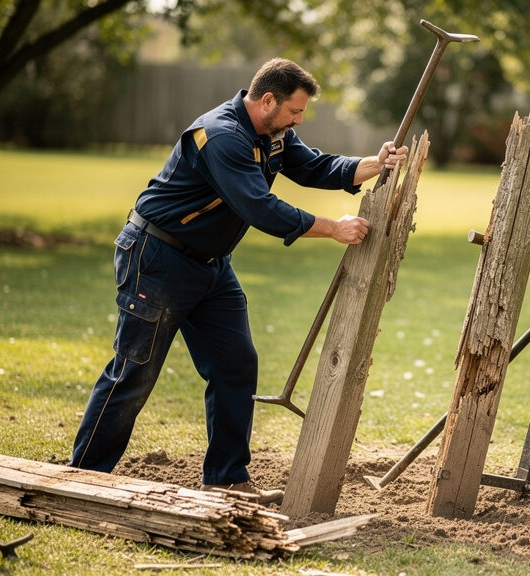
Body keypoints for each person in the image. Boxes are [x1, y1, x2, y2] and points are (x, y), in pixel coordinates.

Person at [69, 58, 408, 505]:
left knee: (236, 363)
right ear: (267, 100)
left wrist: (373, 164)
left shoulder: (273, 133)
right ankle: (82, 480)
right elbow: (259, 208)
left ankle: (226, 479)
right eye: (294, 111)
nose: (299, 121)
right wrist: (333, 229)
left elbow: (315, 167)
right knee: (135, 371)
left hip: (210, 265)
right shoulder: (222, 135)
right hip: (158, 258)